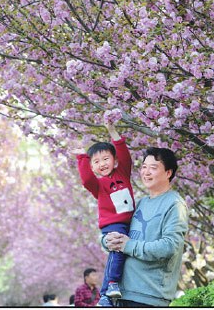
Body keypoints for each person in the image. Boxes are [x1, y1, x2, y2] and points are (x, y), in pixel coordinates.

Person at [104, 147, 188, 307]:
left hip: (149, 297)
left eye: (153, 167)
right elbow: (121, 232)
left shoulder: (175, 204)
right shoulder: (141, 203)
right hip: (122, 294)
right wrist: (107, 241)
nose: (146, 172)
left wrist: (128, 245)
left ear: (168, 173)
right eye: (144, 167)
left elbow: (169, 247)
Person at [71, 122, 135, 306]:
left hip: (131, 223)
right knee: (117, 249)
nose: (102, 164)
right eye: (96, 162)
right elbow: (86, 179)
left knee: (126, 254)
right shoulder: (98, 186)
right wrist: (82, 157)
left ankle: (110, 292)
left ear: (114, 160)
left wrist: (112, 131)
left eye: (106, 159)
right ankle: (111, 285)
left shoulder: (123, 172)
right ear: (92, 166)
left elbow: (124, 154)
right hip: (113, 225)